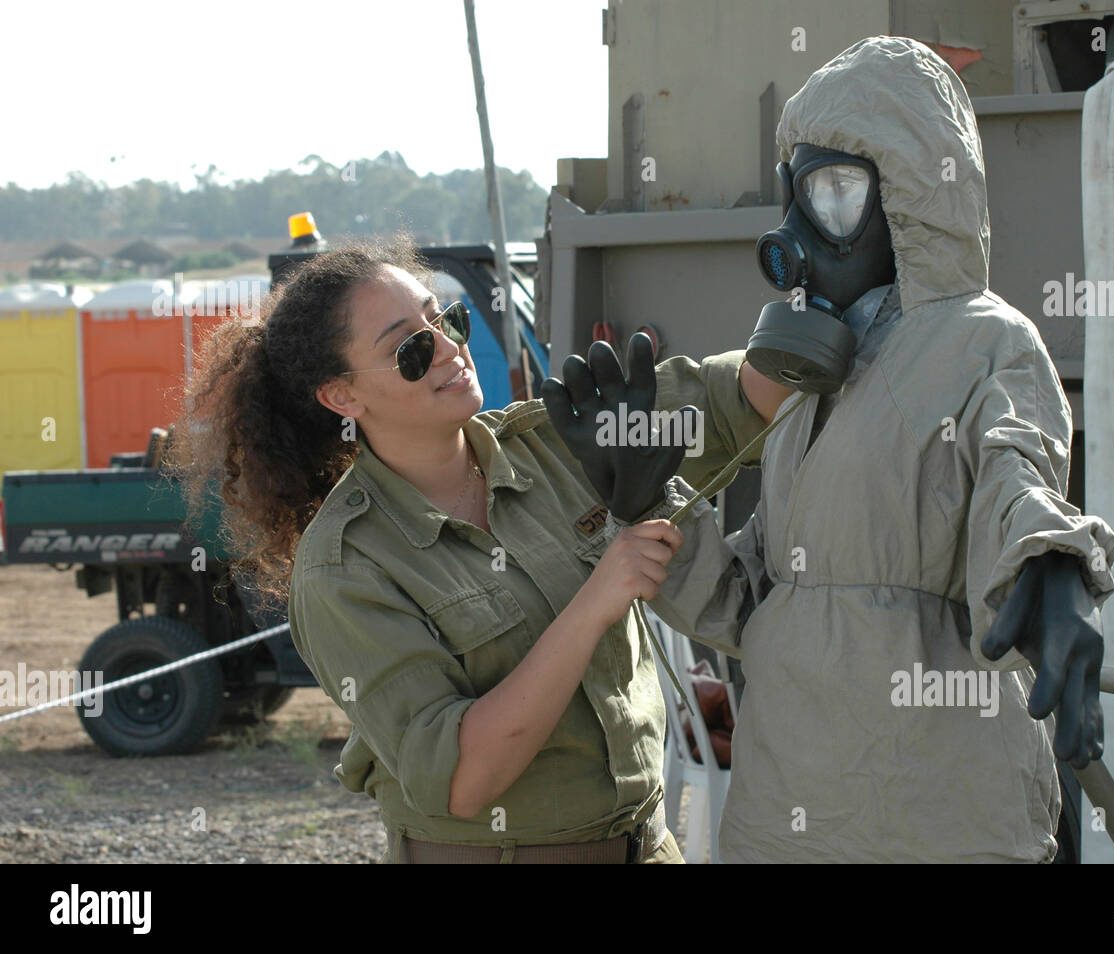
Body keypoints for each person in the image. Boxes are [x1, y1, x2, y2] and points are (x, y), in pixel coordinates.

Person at [543, 36, 1114, 862]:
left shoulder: (986, 344)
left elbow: (1017, 476)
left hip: (936, 811)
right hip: (789, 814)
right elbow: (760, 601)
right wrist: (647, 501)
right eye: (799, 193)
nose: (799, 231)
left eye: (838, 192)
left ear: (914, 200)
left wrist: (1049, 570)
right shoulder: (817, 371)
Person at [167, 237, 792, 863]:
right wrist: (596, 600)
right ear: (342, 397)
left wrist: (821, 298)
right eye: (410, 350)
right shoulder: (346, 566)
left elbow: (743, 399)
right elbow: (463, 778)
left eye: (447, 320)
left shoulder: (559, 445)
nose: (449, 349)